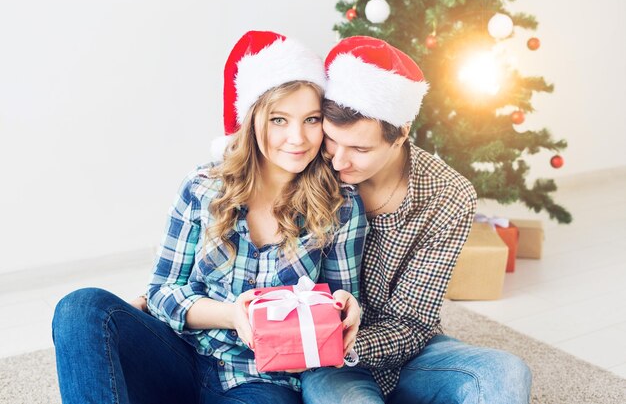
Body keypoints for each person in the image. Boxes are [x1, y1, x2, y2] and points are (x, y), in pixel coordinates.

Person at [52, 30, 367, 404]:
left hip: (263, 382)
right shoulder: (203, 187)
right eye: (279, 120)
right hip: (180, 357)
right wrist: (232, 314)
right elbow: (162, 292)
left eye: (311, 119)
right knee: (80, 308)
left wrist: (344, 310)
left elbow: (335, 316)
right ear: (252, 121)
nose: (297, 137)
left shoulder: (340, 204)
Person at [298, 36, 532, 404]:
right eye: (331, 140)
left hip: (410, 352)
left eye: (359, 149)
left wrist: (353, 340)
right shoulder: (309, 168)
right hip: (329, 362)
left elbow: (413, 324)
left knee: (507, 372)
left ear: (402, 132)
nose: (339, 161)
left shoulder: (449, 195)